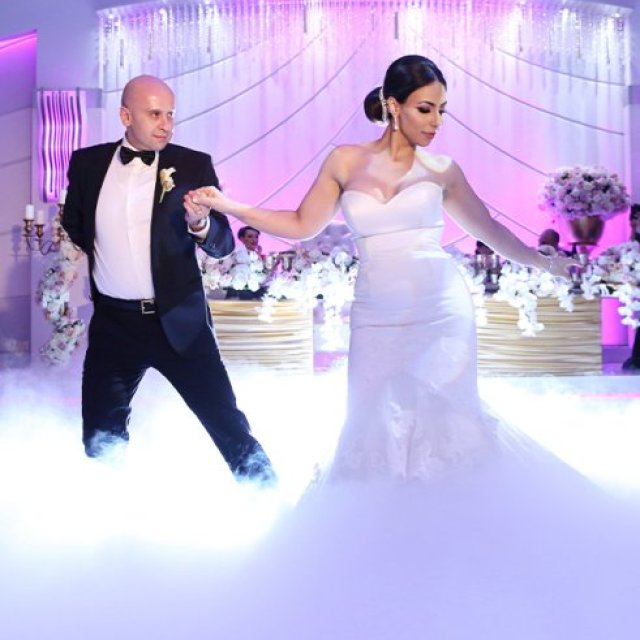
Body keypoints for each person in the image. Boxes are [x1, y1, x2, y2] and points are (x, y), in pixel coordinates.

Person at [187, 55, 575, 481]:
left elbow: (491, 230)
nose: (436, 122)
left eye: (441, 110)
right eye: (425, 109)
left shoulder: (443, 170)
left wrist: (542, 261)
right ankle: (384, 515)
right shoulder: (344, 161)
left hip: (441, 308)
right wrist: (230, 205)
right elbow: (300, 224)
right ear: (393, 105)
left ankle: (456, 512)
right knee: (373, 422)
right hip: (375, 312)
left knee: (443, 420)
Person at [62, 74, 275, 484]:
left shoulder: (193, 164)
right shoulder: (87, 164)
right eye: (155, 114)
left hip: (178, 322)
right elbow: (75, 223)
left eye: (171, 114)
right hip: (114, 326)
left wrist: (200, 224)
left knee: (227, 424)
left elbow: (223, 243)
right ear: (126, 116)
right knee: (100, 438)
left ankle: (273, 501)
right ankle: (107, 510)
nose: (166, 124)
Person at [622, 203, 640, 371]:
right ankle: (636, 358)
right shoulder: (635, 239)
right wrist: (633, 229)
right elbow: (631, 250)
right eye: (634, 217)